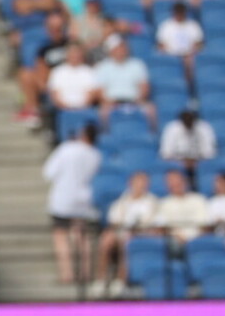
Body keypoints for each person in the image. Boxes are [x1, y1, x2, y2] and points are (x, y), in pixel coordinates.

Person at [43, 123, 100, 284]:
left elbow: (48, 172)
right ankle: (86, 273)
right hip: (83, 200)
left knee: (61, 237)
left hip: (62, 200)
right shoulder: (95, 154)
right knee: (82, 237)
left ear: (83, 134)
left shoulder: (67, 148)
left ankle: (67, 275)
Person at [98, 171, 156, 289]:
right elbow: (114, 222)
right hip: (121, 232)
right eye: (138, 182)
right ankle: (100, 280)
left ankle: (120, 280)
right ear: (131, 183)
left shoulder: (153, 202)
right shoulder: (121, 202)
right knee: (106, 239)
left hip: (142, 235)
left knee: (126, 241)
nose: (140, 185)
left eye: (144, 182)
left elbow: (152, 223)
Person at [149, 169, 210, 246]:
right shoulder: (164, 203)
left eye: (177, 180)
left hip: (197, 239)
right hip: (174, 239)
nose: (174, 183)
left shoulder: (199, 199)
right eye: (170, 181)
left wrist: (190, 237)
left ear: (184, 181)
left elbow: (204, 225)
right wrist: (176, 234)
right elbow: (160, 226)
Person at [159, 105, 217, 170]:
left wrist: (195, 163)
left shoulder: (204, 128)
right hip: (177, 166)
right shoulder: (171, 128)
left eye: (190, 117)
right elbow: (166, 154)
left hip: (199, 165)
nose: (188, 120)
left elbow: (210, 154)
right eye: (186, 117)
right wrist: (182, 163)